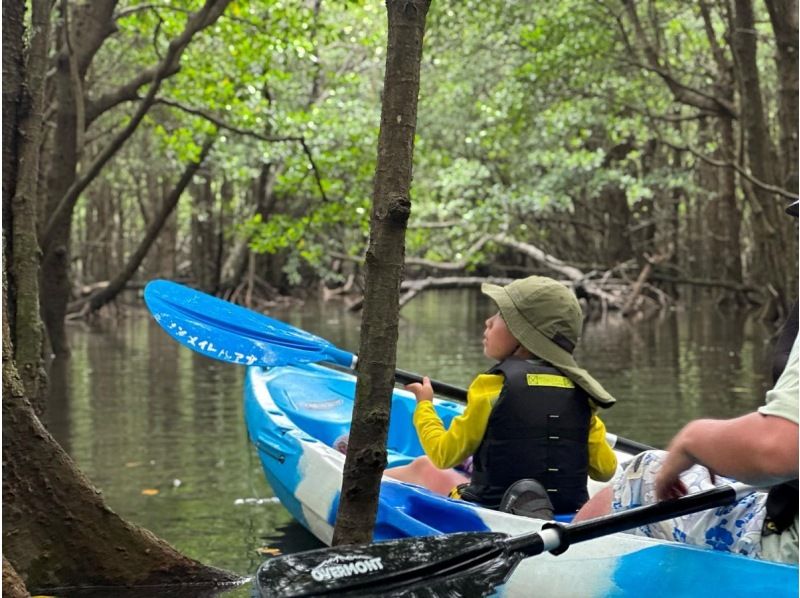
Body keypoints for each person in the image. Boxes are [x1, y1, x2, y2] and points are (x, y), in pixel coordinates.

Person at [386, 275, 618, 514]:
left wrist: (424, 405)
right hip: (567, 510)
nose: (488, 322)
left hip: (490, 508)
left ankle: (363, 479)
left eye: (501, 315)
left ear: (524, 335)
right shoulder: (582, 395)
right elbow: (606, 469)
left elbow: (444, 455)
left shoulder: (491, 386)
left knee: (424, 466)